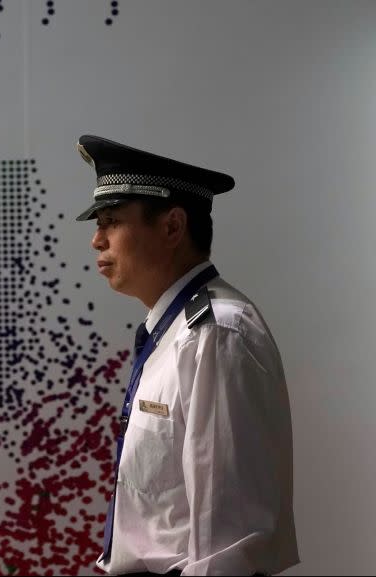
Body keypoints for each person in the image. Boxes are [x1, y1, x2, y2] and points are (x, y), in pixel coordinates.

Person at [74, 135, 298, 575]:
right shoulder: (176, 331)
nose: (97, 240)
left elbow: (229, 547)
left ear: (173, 227)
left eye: (112, 220)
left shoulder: (216, 333)